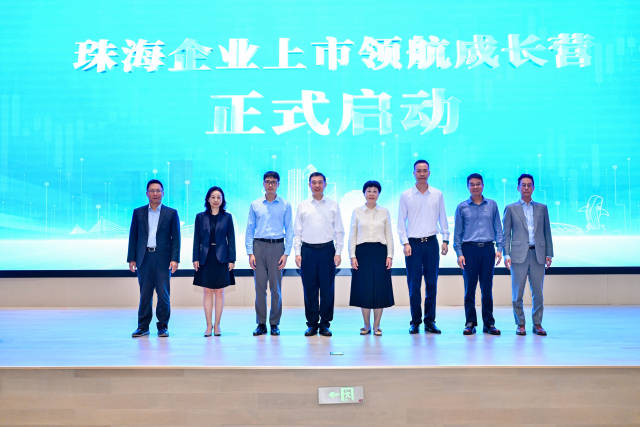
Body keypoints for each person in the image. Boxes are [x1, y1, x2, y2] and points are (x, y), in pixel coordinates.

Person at [398, 160, 449, 334]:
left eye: (424, 170)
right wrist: (405, 242)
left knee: (432, 284)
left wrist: (445, 240)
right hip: (413, 245)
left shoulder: (437, 194)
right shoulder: (406, 195)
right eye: (418, 171)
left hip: (431, 243)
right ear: (413, 173)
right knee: (414, 285)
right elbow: (400, 222)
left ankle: (430, 321)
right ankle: (415, 321)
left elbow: (443, 217)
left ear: (429, 173)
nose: (421, 173)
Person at [127, 179, 180, 338]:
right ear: (147, 193)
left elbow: (176, 239)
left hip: (163, 259)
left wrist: (175, 259)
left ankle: (163, 327)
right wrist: (131, 258)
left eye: (158, 191)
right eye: (152, 190)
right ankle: (142, 327)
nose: (155, 193)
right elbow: (133, 236)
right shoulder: (138, 212)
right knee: (145, 294)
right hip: (144, 258)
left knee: (163, 294)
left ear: (163, 193)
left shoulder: (171, 213)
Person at [294, 172, 344, 337]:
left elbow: (339, 231)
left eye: (320, 182)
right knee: (309, 289)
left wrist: (338, 252)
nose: (317, 185)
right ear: (309, 185)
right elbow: (297, 231)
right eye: (313, 182)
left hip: (327, 251)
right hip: (307, 251)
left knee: (327, 289)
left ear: (325, 184)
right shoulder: (303, 205)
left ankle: (325, 324)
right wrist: (297, 252)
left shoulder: (333, 205)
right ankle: (312, 324)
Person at [503, 174, 554, 336]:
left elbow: (547, 232)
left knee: (538, 293)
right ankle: (520, 324)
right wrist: (506, 254)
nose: (526, 188)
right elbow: (506, 234)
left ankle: (537, 324)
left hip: (538, 254)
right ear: (518, 188)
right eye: (523, 185)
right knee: (517, 293)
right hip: (518, 255)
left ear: (533, 188)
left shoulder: (542, 208)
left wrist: (549, 253)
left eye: (529, 185)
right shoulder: (511, 208)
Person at [453, 173, 504, 336]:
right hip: (469, 250)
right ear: (468, 186)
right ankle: (470, 323)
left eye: (478, 184)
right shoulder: (462, 207)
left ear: (483, 185)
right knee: (469, 289)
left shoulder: (492, 205)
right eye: (472, 184)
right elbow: (457, 233)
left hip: (488, 250)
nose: (475, 187)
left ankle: (489, 323)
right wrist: (459, 253)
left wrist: (500, 248)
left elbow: (498, 228)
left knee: (487, 289)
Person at [245, 171, 293, 336]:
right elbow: (250, 229)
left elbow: (290, 230)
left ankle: (274, 323)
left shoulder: (285, 205)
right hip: (258, 247)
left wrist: (286, 254)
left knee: (276, 289)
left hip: (277, 247)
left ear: (278, 184)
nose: (270, 184)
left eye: (273, 182)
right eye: (267, 181)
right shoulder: (255, 204)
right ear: (263, 184)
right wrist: (250, 253)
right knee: (259, 289)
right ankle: (261, 324)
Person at [348, 180, 394, 336]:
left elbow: (389, 235)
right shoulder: (357, 211)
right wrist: (352, 256)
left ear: (379, 194)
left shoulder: (385, 212)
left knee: (380, 290)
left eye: (375, 191)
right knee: (365, 290)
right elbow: (352, 235)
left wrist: (390, 255)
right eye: (369, 191)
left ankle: (377, 326)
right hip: (362, 253)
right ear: (364, 193)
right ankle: (366, 325)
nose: (372, 194)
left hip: (380, 252)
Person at [192, 186, 236, 337]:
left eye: (219, 197)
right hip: (205, 257)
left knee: (219, 292)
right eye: (213, 197)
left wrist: (232, 259)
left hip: (222, 257)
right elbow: (196, 239)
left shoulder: (227, 217)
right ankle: (208, 325)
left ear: (222, 200)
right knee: (207, 291)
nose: (216, 200)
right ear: (208, 199)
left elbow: (231, 239)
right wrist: (195, 257)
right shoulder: (200, 217)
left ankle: (217, 325)